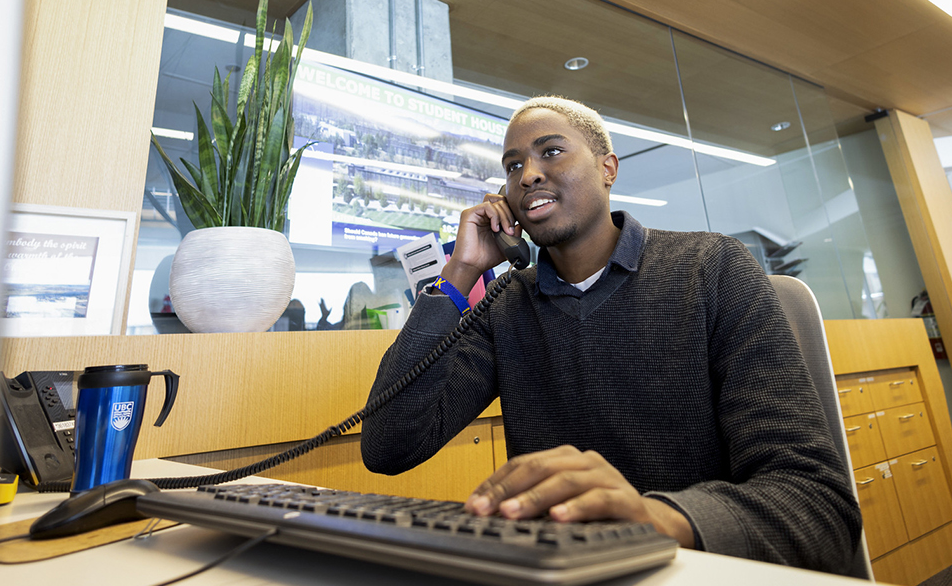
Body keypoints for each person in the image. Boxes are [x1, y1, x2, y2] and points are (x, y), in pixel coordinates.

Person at [360, 96, 861, 573]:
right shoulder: (508, 303)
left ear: (608, 168)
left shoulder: (712, 268)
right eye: (513, 166)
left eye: (551, 151)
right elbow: (388, 446)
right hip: (566, 572)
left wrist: (658, 520)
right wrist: (458, 275)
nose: (528, 174)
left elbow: (817, 504)